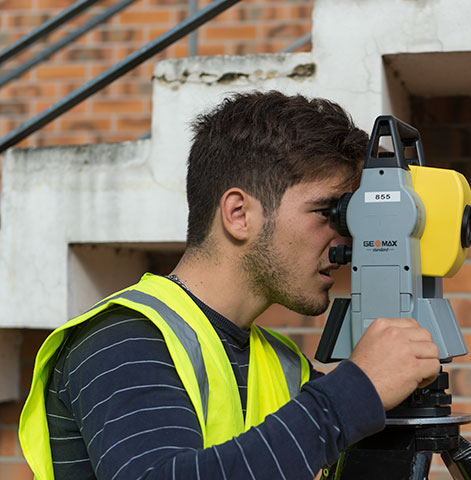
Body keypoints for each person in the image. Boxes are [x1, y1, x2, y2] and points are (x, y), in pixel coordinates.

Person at [19, 91, 441, 479]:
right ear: (239, 214)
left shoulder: (284, 367)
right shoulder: (121, 341)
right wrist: (354, 392)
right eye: (329, 212)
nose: (347, 239)